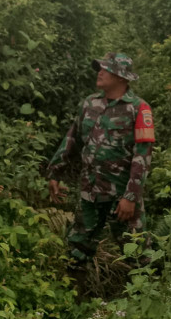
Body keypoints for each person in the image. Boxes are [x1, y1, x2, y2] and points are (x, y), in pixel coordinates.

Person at [46, 52, 155, 264]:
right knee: (77, 248)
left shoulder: (139, 109)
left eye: (106, 69)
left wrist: (130, 197)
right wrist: (55, 172)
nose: (100, 72)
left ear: (122, 77)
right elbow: (72, 138)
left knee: (138, 254)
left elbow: (142, 157)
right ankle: (76, 293)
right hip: (90, 190)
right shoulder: (89, 104)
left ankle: (144, 294)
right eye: (100, 68)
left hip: (121, 195)